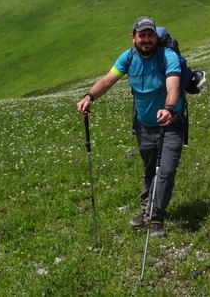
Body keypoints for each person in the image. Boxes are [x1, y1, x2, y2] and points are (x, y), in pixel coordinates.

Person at [76, 16, 185, 238]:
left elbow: (173, 85)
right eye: (142, 35)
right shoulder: (128, 57)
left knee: (165, 170)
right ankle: (147, 208)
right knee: (150, 169)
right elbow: (108, 80)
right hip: (144, 124)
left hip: (171, 122)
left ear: (156, 37)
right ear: (133, 38)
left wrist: (169, 108)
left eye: (150, 35)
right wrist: (89, 96)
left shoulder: (168, 56)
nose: (146, 39)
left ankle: (155, 218)